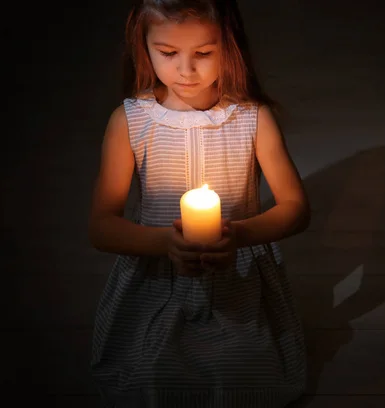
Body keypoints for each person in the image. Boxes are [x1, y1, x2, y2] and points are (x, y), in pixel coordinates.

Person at [87, 0, 310, 406]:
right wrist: (166, 245)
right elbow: (101, 226)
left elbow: (295, 207)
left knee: (242, 376)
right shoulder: (130, 121)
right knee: (151, 375)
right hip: (156, 279)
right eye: (168, 53)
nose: (186, 71)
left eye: (204, 53)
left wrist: (238, 234)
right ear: (144, 46)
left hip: (237, 280)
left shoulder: (250, 118)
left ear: (230, 46)